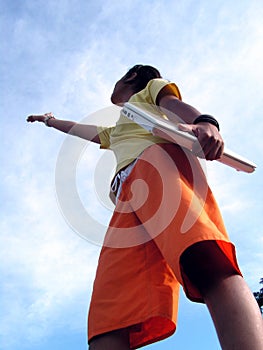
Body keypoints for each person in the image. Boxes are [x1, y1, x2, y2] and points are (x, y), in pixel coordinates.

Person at [27, 64, 263, 349]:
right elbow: (80, 130)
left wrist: (206, 123)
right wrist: (50, 121)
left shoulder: (150, 91)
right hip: (126, 200)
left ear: (131, 77)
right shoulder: (117, 130)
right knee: (110, 314)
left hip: (157, 164)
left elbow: (174, 105)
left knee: (204, 258)